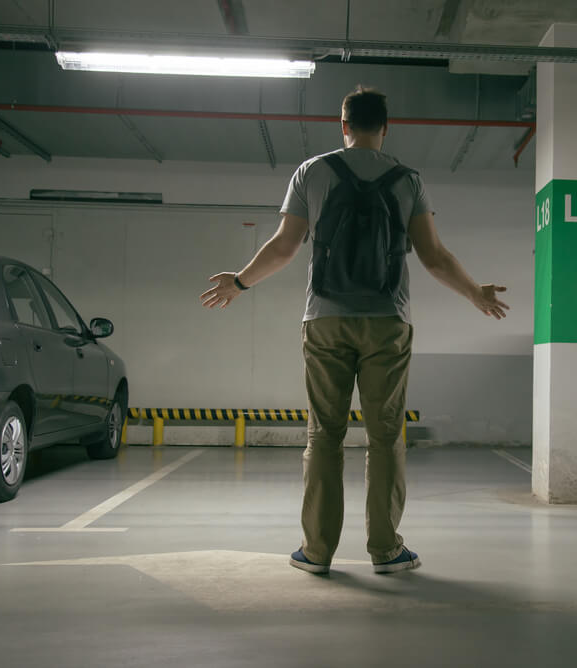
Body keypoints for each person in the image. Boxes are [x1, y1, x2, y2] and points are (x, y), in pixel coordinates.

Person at [201, 85, 509, 575]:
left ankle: (317, 551)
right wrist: (475, 293)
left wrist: (239, 282)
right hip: (388, 322)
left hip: (323, 320)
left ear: (343, 125)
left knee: (324, 434)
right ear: (385, 128)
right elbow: (433, 257)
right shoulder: (409, 180)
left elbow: (284, 246)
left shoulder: (312, 172)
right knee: (386, 436)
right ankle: (386, 550)